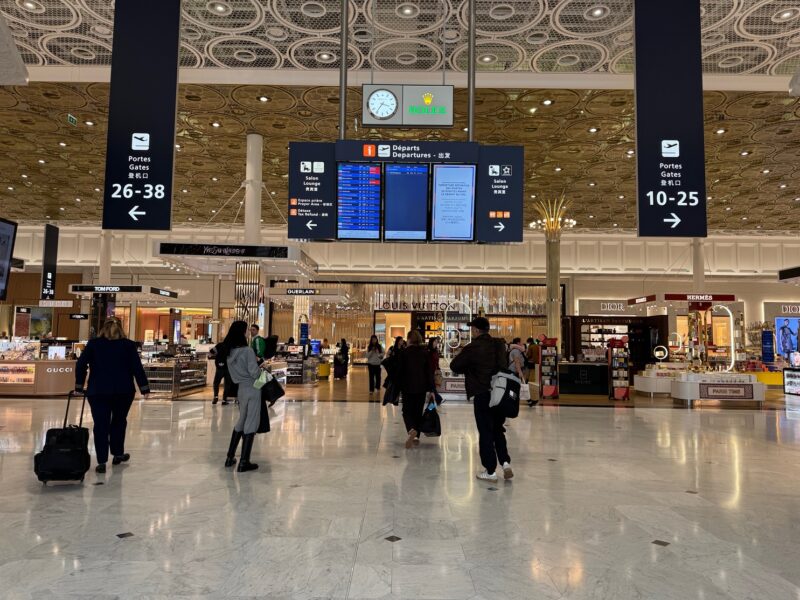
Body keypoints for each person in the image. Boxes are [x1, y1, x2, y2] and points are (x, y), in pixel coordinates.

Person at [74, 318, 150, 474]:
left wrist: (79, 386)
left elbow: (81, 364)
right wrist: (144, 388)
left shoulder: (94, 344)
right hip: (123, 391)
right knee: (119, 422)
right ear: (121, 329)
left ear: (103, 328)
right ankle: (117, 453)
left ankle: (101, 461)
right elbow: (137, 367)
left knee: (100, 424)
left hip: (98, 391)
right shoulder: (128, 345)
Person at [450, 317, 512, 483]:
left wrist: (468, 364)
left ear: (477, 330)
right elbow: (503, 365)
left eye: (473, 329)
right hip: (499, 393)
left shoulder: (473, 347)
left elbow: (454, 366)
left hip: (482, 393)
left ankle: (490, 471)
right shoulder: (499, 344)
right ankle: (505, 462)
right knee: (498, 428)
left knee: (485, 431)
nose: (472, 332)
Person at [224, 321, 267, 472]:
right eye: (247, 330)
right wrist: (263, 369)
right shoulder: (247, 351)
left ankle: (230, 457)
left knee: (241, 420)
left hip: (240, 389)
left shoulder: (230, 352)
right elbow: (254, 373)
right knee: (252, 422)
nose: (248, 332)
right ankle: (244, 461)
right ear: (242, 332)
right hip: (253, 387)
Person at [396, 330, 434, 448]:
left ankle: (411, 429)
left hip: (407, 387)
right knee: (418, 411)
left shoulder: (404, 353)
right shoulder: (425, 353)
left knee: (407, 411)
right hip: (421, 387)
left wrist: (397, 388)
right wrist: (431, 389)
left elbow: (399, 372)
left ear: (409, 339)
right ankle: (417, 436)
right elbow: (429, 372)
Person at [209, 341, 232, 405]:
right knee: (227, 384)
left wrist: (216, 355)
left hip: (219, 368)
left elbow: (211, 351)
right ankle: (224, 400)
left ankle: (215, 397)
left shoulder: (219, 344)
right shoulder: (231, 346)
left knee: (216, 383)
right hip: (228, 368)